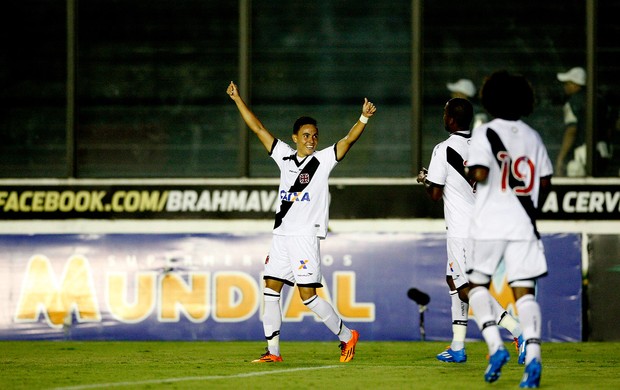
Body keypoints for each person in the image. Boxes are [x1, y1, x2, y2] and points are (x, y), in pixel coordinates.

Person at [226, 81, 376, 363]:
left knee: (308, 297)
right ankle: (273, 352)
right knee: (271, 288)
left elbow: (347, 141)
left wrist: (364, 118)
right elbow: (257, 128)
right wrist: (237, 100)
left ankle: (347, 336)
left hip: (305, 236)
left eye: (315, 135)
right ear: (294, 137)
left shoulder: (323, 160)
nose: (311, 139)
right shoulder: (283, 155)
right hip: (282, 235)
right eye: (306, 135)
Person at [416, 98, 524, 365]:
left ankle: (519, 330)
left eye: (444, 113)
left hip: (462, 230)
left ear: (451, 120)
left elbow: (435, 193)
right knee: (454, 282)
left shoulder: (443, 149)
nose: (443, 117)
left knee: (467, 289)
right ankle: (457, 346)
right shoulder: (482, 145)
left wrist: (425, 180)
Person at [465, 70, 553, 387]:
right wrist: (530, 208)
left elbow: (479, 172)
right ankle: (534, 359)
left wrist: (472, 167)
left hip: (490, 222)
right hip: (523, 224)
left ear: (490, 100)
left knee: (475, 286)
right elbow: (544, 181)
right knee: (525, 295)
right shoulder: (533, 137)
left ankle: (495, 346)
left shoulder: (485, 132)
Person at [554, 66, 612, 176]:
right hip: (604, 152)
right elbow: (609, 128)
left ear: (575, 85)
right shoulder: (600, 100)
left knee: (579, 186)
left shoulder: (573, 102)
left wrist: (561, 157)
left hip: (583, 154)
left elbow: (572, 130)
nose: (565, 87)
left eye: (567, 83)